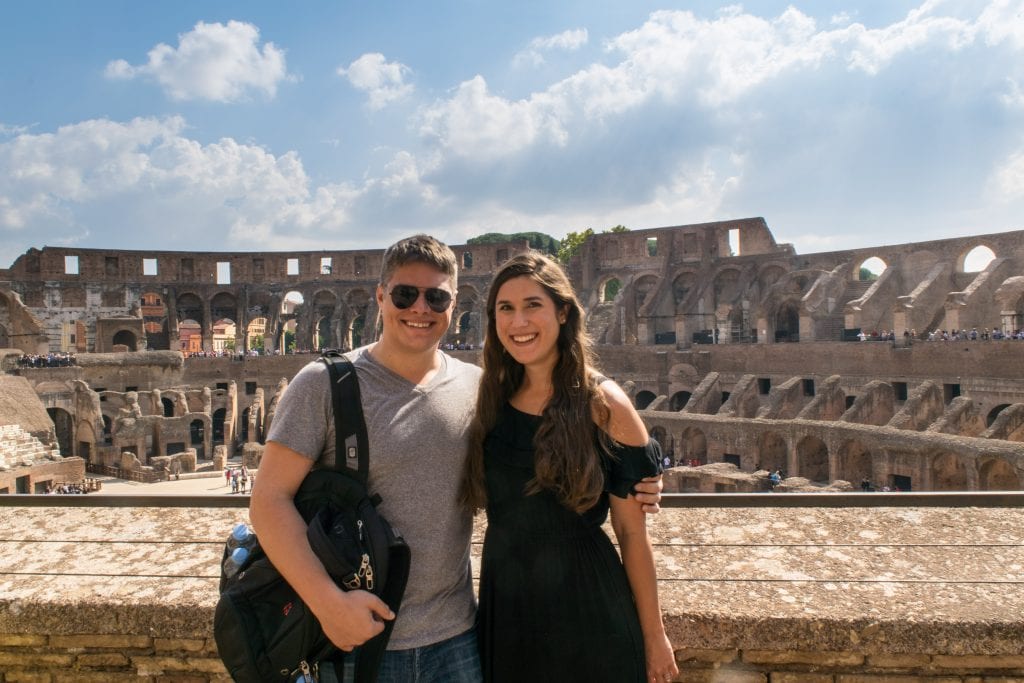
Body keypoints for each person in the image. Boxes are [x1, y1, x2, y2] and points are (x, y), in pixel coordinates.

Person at [250, 234, 667, 683]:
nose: (420, 308)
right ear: (380, 297)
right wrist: (329, 605)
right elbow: (268, 501)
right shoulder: (323, 384)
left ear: (453, 304)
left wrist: (646, 466)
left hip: (463, 635)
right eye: (405, 294)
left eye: (436, 296)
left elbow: (612, 487)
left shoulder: (478, 387)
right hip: (364, 633)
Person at [461, 252, 677, 683]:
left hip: (586, 601)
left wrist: (655, 637)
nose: (518, 322)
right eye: (506, 308)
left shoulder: (604, 403)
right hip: (508, 602)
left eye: (532, 305)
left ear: (563, 312)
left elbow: (633, 533)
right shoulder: (489, 399)